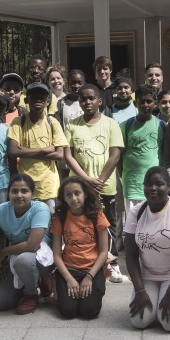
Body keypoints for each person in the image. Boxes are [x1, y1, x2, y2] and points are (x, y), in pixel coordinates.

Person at [125, 167, 170, 331]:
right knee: (139, 320)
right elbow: (130, 256)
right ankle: (155, 295)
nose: (153, 189)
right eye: (148, 184)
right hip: (147, 273)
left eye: (159, 184)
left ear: (169, 186)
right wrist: (140, 290)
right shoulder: (136, 213)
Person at [64, 83, 124, 275]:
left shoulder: (111, 124)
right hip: (79, 187)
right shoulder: (72, 125)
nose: (87, 102)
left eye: (91, 98)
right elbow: (68, 156)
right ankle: (83, 261)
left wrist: (99, 181)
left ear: (100, 100)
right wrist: (86, 181)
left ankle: (112, 263)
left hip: (104, 186)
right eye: (83, 98)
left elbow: (114, 155)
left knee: (108, 224)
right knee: (81, 224)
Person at [0, 175, 53, 314]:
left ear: (33, 194)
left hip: (40, 258)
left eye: (24, 191)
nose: (19, 195)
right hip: (14, 257)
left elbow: (32, 244)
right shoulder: (0, 210)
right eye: (14, 191)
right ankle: (28, 282)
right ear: (8, 193)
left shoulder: (40, 209)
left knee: (23, 260)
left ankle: (31, 294)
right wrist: (3, 263)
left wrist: (3, 253)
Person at [51, 177, 110, 319]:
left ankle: (84, 294)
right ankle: (60, 289)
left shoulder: (97, 215)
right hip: (69, 269)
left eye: (77, 193)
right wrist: (69, 279)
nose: (73, 198)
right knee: (67, 312)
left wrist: (89, 277)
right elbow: (57, 255)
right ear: (63, 198)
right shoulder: (60, 218)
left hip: (92, 269)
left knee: (89, 311)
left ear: (85, 194)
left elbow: (103, 252)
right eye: (68, 195)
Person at [7, 82, 67, 210]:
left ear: (48, 101)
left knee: (49, 222)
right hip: (24, 185)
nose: (38, 99)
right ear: (27, 99)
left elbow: (59, 155)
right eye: (34, 96)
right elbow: (12, 151)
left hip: (48, 185)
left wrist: (23, 150)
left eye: (42, 97)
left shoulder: (53, 123)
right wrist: (43, 150)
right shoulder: (19, 122)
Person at [121, 85, 165, 213]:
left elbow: (164, 153)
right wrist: (122, 176)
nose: (145, 105)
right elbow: (119, 155)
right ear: (135, 103)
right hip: (132, 184)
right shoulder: (126, 126)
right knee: (133, 223)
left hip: (155, 185)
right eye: (142, 102)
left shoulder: (161, 126)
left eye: (149, 101)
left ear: (155, 103)